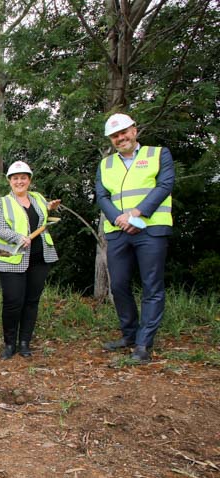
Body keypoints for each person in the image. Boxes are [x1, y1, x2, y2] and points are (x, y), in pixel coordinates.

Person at [96, 113, 174, 364]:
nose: (121, 138)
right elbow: (102, 196)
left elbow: (164, 186)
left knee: (152, 286)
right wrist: (120, 218)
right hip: (118, 231)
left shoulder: (158, 154)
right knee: (118, 285)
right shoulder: (106, 164)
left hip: (151, 229)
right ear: (111, 139)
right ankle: (129, 335)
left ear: (134, 131)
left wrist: (136, 214)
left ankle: (143, 344)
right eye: (116, 135)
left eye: (124, 132)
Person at [0, 161, 59, 360]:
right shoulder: (1, 203)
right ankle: (9, 343)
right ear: (9, 181)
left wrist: (51, 208)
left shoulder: (37, 198)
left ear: (29, 180)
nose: (19, 181)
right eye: (15, 178)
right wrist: (17, 237)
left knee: (31, 301)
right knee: (13, 302)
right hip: (13, 258)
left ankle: (24, 342)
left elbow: (42, 215)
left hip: (39, 258)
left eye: (23, 178)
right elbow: (0, 228)